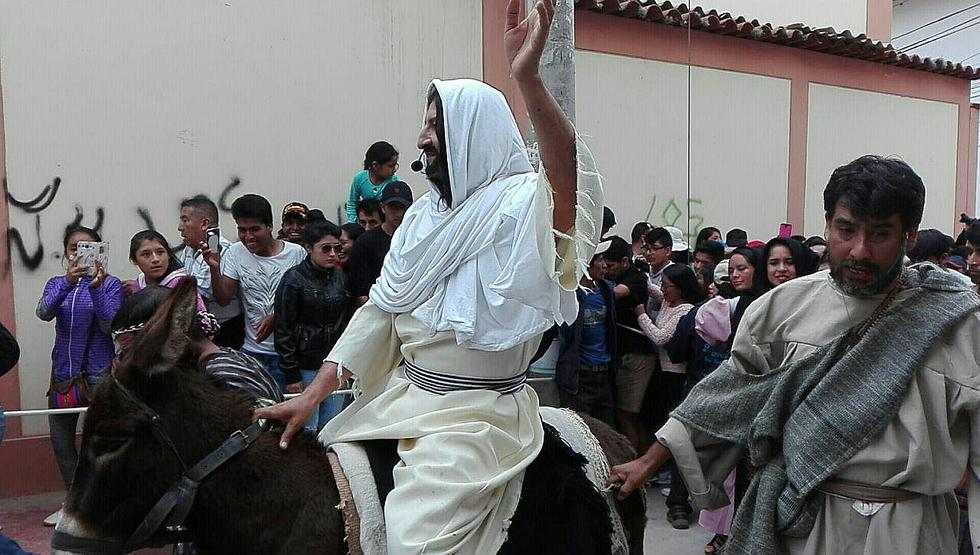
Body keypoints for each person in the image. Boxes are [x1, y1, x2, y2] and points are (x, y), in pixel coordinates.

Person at [256, 2, 603, 551]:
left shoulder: (519, 206)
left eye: (436, 126)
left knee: (416, 541)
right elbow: (380, 313)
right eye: (425, 124)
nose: (421, 138)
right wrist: (312, 393)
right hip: (400, 397)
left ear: (475, 134)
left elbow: (566, 181)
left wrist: (527, 79)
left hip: (475, 419)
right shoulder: (420, 217)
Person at [610, 155, 980, 554]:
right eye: (846, 229)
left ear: (909, 236)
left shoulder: (956, 323)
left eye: (880, 234)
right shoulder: (782, 310)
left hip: (910, 533)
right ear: (827, 222)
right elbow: (725, 400)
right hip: (801, 525)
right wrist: (648, 463)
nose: (859, 250)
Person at [36, 226, 123, 526]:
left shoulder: (110, 285)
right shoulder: (56, 283)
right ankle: (74, 502)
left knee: (99, 444)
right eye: (74, 247)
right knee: (61, 442)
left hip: (98, 376)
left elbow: (109, 324)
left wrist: (96, 290)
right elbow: (43, 312)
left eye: (88, 247)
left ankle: (101, 504)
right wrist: (66, 284)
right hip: (62, 375)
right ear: (66, 252)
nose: (80, 253)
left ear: (100, 252)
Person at [204, 194, 306, 393]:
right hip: (251, 353)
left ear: (269, 226)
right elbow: (224, 299)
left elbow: (305, 302)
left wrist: (277, 317)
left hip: (287, 357)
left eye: (254, 229)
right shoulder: (235, 253)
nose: (248, 237)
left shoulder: (296, 254)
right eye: (242, 230)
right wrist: (214, 268)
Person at [635, 264, 703, 529]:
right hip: (662, 373)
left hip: (677, 377)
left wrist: (641, 314)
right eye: (662, 284)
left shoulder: (684, 310)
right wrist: (641, 277)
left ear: (681, 288)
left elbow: (660, 337)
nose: (662, 289)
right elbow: (653, 292)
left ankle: (677, 495)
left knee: (675, 433)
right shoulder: (667, 301)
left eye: (667, 285)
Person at [274, 221, 351, 431]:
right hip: (305, 366)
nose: (333, 254)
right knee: (307, 428)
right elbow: (283, 330)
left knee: (331, 427)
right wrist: (292, 374)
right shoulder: (293, 280)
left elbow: (348, 321)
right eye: (326, 248)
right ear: (309, 248)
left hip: (336, 365)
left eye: (337, 248)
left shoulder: (341, 277)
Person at [553, 241, 618, 426]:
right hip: (580, 376)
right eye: (599, 259)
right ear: (586, 263)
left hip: (604, 373)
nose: (604, 265)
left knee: (607, 429)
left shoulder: (605, 291)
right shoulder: (569, 294)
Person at [604, 236, 655, 454]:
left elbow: (615, 293)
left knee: (627, 413)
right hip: (625, 354)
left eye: (610, 265)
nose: (606, 269)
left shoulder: (635, 278)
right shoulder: (619, 276)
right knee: (629, 413)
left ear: (625, 262)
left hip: (637, 356)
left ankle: (633, 462)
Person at [178, 194, 245, 349]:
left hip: (225, 331)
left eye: (185, 220)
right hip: (200, 329)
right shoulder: (189, 249)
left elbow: (200, 293)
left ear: (204, 223)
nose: (180, 227)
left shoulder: (223, 250)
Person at [348, 181, 413, 305]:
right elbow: (360, 291)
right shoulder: (365, 242)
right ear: (383, 207)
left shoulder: (416, 239)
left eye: (402, 207)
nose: (398, 213)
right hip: (376, 305)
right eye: (393, 207)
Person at [345, 141, 400, 224]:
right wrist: (353, 223)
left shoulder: (394, 183)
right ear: (375, 165)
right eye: (391, 166)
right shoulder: (360, 179)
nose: (394, 169)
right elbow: (352, 203)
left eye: (396, 165)